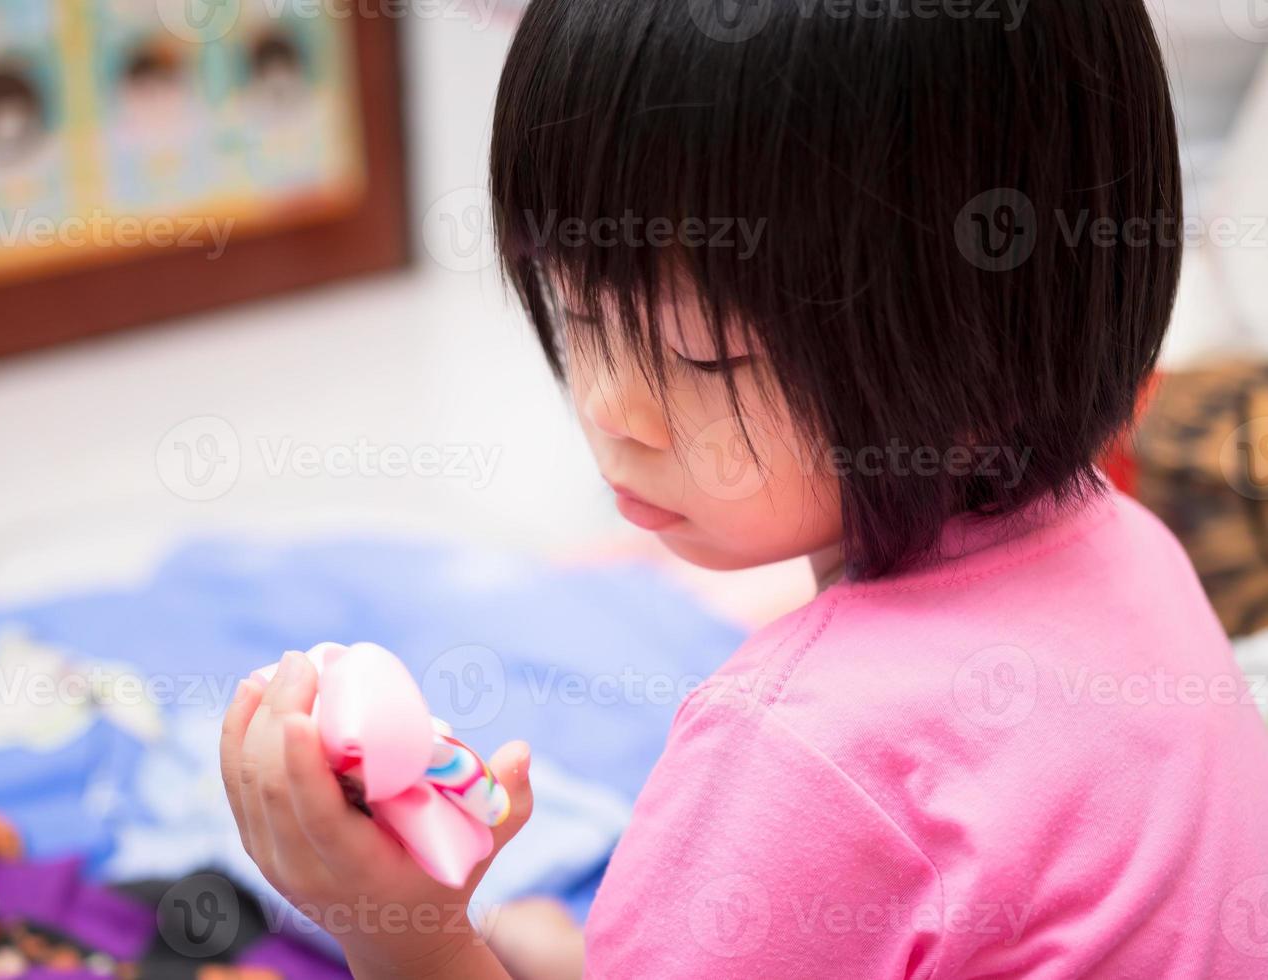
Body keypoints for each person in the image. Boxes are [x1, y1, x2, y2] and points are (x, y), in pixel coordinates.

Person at [220, 1, 1268, 976]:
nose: (608, 403)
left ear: (980, 327)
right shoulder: (1137, 550)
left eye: (702, 354)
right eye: (578, 311)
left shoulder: (798, 746)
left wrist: (401, 929)